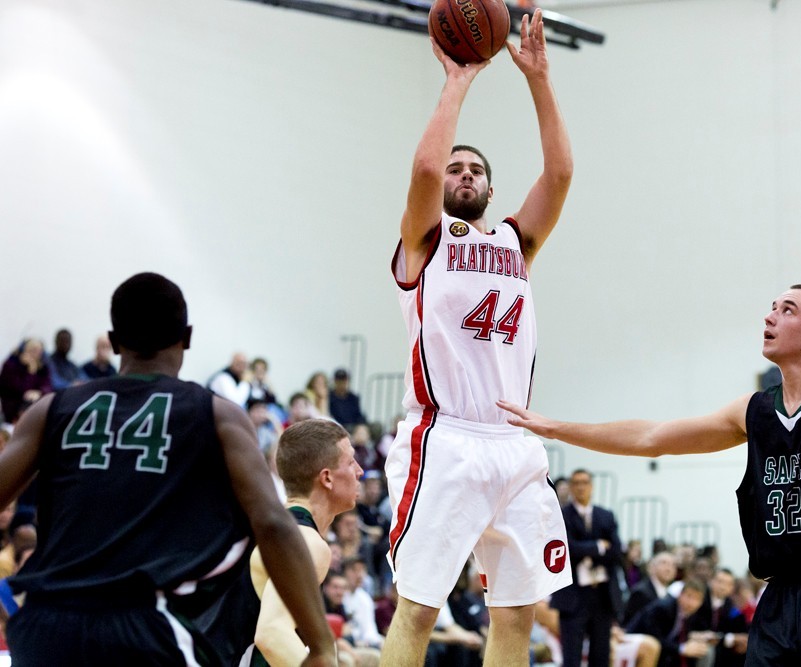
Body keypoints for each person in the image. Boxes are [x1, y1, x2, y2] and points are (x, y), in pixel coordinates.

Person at [499, 284, 801, 666]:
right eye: (771, 308)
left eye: (787, 309)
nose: (770, 317)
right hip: (781, 596)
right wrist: (557, 428)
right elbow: (653, 437)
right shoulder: (753, 411)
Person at [0, 272, 336, 666]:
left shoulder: (50, 410)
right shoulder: (218, 417)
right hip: (143, 625)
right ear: (188, 336)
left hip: (46, 626)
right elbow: (275, 524)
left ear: (113, 338)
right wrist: (320, 644)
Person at [381, 8, 573, 667]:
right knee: (420, 609)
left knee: (516, 613)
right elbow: (426, 172)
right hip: (445, 437)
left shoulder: (516, 241)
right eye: (457, 167)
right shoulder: (426, 239)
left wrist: (539, 80)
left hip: (514, 441)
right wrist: (459, 80)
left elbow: (560, 175)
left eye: (475, 170)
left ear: (491, 187)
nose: (462, 174)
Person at [245, 419, 364, 666]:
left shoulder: (280, 530)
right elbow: (272, 634)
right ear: (327, 478)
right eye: (351, 462)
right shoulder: (306, 542)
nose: (360, 471)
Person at [551, 468, 623, 667]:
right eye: (576, 483)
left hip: (602, 594)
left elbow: (616, 551)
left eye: (584, 482)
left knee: (601, 654)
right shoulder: (561, 515)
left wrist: (585, 551)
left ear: (591, 486)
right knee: (571, 656)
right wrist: (599, 546)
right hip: (573, 595)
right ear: (571, 487)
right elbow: (567, 548)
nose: (581, 487)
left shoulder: (606, 515)